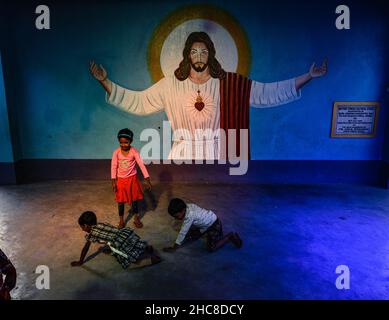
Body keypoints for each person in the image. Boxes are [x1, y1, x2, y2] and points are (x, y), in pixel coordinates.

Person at [90, 31, 327, 160]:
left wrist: (307, 77)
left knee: (220, 205)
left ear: (210, 54)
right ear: (187, 55)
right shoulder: (170, 85)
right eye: (194, 51)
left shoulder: (229, 83)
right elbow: (139, 102)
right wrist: (104, 81)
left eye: (204, 51)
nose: (199, 55)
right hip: (182, 153)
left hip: (217, 152)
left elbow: (266, 93)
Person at [70, 211, 161, 269]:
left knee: (128, 264)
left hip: (120, 242)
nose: (82, 229)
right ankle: (146, 248)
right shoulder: (101, 224)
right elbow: (108, 235)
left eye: (82, 227)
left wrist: (80, 261)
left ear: (86, 225)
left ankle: (152, 260)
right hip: (125, 233)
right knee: (134, 244)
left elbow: (86, 248)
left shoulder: (91, 234)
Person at [163, 198, 242, 252]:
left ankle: (230, 236)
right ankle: (206, 232)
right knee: (192, 235)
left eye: (176, 216)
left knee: (211, 248)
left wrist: (174, 248)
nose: (176, 218)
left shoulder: (189, 215)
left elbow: (183, 232)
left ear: (183, 210)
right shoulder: (188, 206)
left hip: (214, 226)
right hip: (208, 223)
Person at [112, 128, 152, 229]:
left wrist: (147, 179)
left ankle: (136, 217)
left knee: (134, 200)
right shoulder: (116, 153)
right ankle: (121, 220)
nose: (123, 145)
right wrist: (113, 181)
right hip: (121, 180)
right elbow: (113, 166)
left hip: (132, 180)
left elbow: (141, 165)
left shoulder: (134, 152)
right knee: (120, 202)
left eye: (126, 142)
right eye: (121, 142)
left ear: (131, 141)